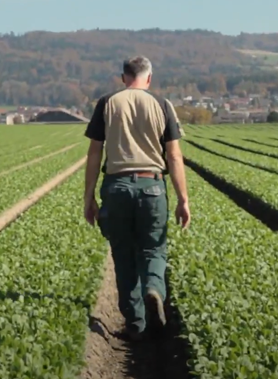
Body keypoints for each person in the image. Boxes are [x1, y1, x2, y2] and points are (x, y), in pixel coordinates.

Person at [83, 55, 190, 341]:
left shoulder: (107, 103)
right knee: (154, 249)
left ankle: (135, 324)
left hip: (116, 187)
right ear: (149, 78)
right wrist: (183, 199)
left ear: (123, 78)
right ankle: (153, 288)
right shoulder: (162, 105)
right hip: (152, 186)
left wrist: (89, 197)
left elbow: (94, 153)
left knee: (124, 255)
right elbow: (174, 155)